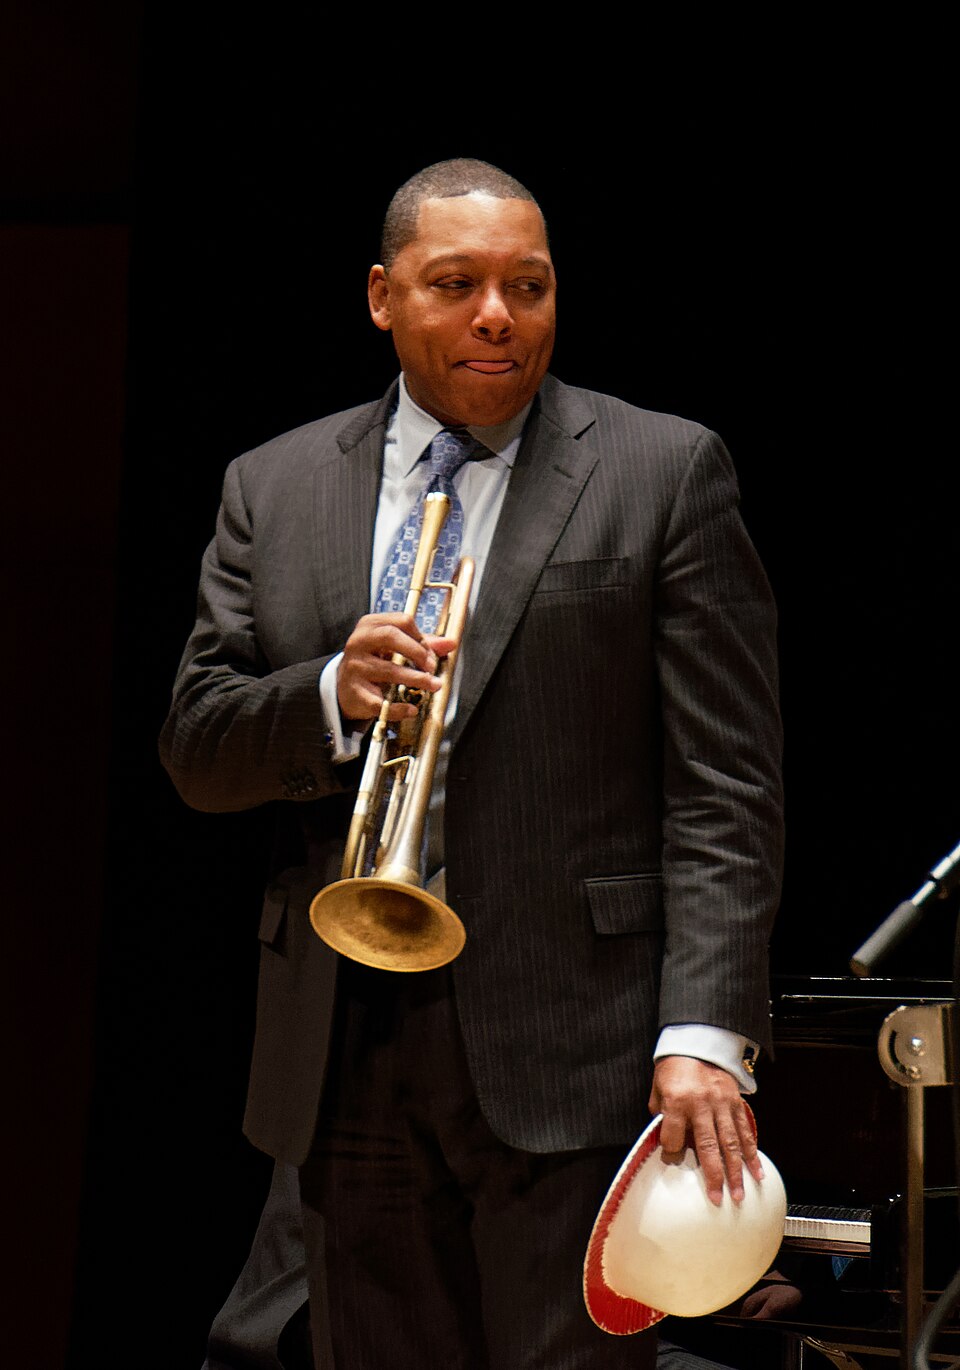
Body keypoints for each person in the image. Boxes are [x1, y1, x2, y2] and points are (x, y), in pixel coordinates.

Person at [162, 158, 784, 1370]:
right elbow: (196, 745)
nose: (500, 313)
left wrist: (703, 1031)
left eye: (529, 285)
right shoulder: (273, 485)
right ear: (384, 297)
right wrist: (329, 695)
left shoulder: (665, 469)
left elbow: (728, 788)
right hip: (347, 1040)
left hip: (580, 1040)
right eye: (458, 284)